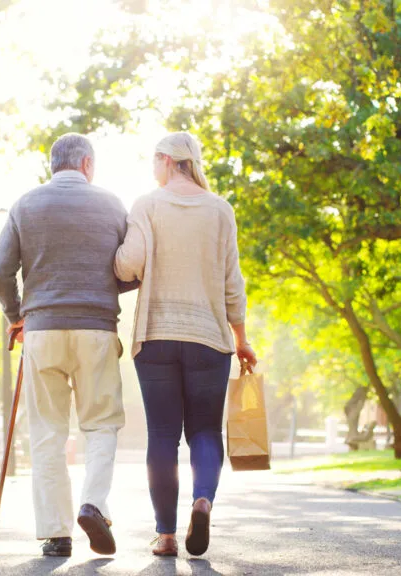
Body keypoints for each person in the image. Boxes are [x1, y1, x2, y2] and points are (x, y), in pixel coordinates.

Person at [0, 133, 133, 558]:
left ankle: (56, 534)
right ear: (87, 164)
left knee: (48, 432)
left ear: (53, 165)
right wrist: (106, 286)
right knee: (102, 423)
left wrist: (16, 315)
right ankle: (94, 504)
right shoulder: (112, 204)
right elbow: (132, 267)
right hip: (96, 330)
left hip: (43, 330)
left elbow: (0, 272)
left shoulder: (25, 204)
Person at [115, 131, 257, 557]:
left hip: (156, 337)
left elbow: (127, 264)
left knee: (162, 434)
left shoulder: (147, 205)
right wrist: (242, 338)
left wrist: (124, 258)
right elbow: (233, 281)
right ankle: (203, 500)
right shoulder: (220, 210)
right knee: (204, 432)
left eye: (153, 161)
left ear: (164, 160)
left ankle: (166, 535)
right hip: (209, 339)